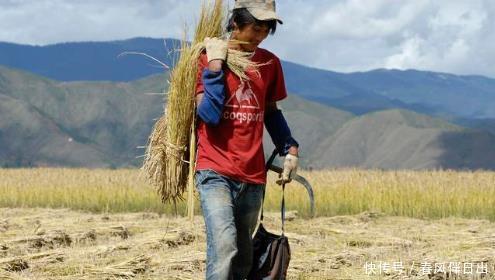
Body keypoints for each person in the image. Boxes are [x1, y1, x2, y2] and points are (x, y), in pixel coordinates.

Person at [194, 0, 299, 279]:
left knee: (243, 254)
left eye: (267, 28)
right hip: (215, 170)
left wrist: (290, 148)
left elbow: (271, 113)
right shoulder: (207, 58)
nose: (261, 34)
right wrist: (216, 66)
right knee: (224, 246)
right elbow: (209, 114)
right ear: (235, 24)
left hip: (253, 176)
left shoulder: (269, 63)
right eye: (256, 26)